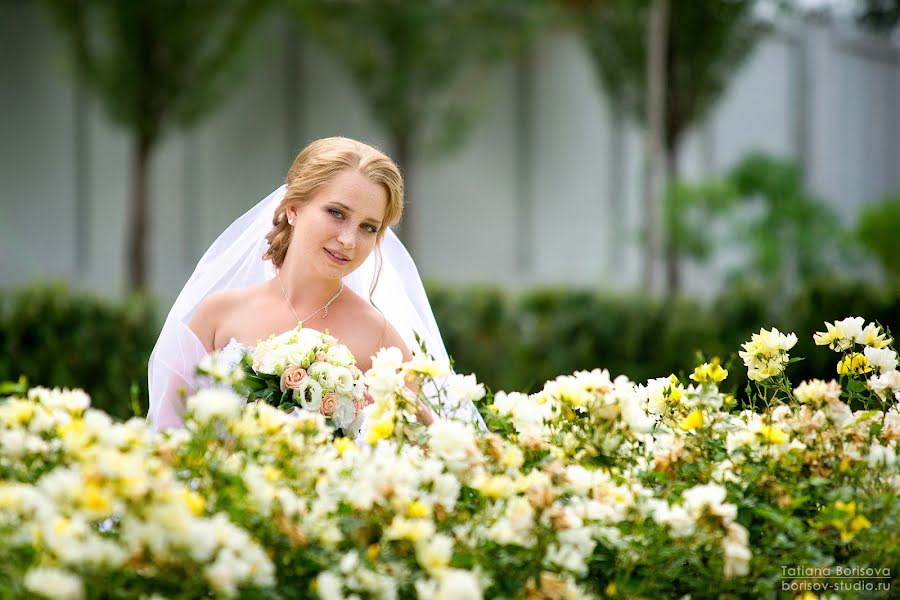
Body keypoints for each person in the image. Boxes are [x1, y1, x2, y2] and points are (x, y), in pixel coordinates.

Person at [147, 137, 481, 431]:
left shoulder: (380, 339)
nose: (349, 240)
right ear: (293, 208)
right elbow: (166, 437)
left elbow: (418, 447)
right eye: (336, 213)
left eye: (368, 227)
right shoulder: (217, 316)